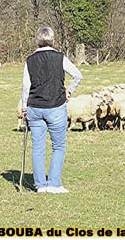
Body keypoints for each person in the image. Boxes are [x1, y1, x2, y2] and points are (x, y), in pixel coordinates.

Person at [21, 26, 83, 193]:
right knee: (58, 146)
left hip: (34, 107)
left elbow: (26, 87)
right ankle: (54, 184)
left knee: (38, 147)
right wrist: (68, 91)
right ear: (52, 39)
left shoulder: (29, 60)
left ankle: (40, 185)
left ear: (38, 40)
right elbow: (78, 75)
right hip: (55, 106)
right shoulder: (60, 57)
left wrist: (23, 107)